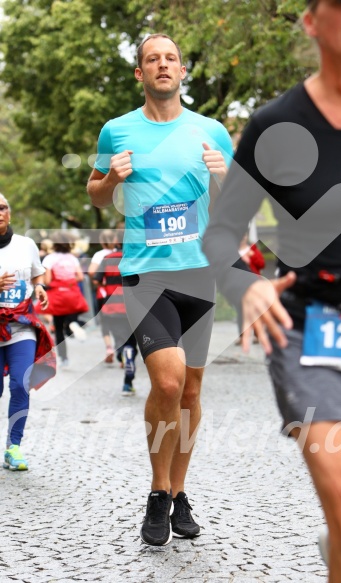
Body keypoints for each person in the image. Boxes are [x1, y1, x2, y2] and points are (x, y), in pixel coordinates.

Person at [203, 1, 341, 581]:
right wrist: (245, 285)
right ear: (311, 21)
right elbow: (220, 234)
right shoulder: (277, 125)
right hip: (311, 331)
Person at [87, 33, 234, 546]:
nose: (163, 65)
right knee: (168, 383)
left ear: (181, 71)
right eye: (153, 59)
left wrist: (222, 179)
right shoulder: (117, 130)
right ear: (141, 74)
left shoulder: (211, 132)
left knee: (191, 390)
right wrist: (111, 180)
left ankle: (180, 491)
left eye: (171, 58)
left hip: (198, 273)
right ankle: (157, 492)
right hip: (145, 274)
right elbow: (97, 193)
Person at [0, 195, 56, 470]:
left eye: (2, 207)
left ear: (9, 213)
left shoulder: (26, 245)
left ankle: (14, 447)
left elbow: (37, 273)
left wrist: (39, 286)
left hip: (22, 325)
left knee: (21, 384)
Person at [93, 231, 138, 395]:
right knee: (132, 343)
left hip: (112, 308)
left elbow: (96, 279)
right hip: (132, 308)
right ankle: (128, 383)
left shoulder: (108, 259)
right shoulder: (136, 258)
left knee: (120, 339)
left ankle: (121, 352)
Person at [40, 231, 88, 367]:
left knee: (58, 327)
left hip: (58, 295)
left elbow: (47, 280)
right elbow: (80, 276)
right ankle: (73, 325)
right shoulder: (72, 258)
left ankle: (64, 357)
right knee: (71, 318)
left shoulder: (49, 259)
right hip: (72, 293)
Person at [88, 229, 116, 363]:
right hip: (122, 292)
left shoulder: (99, 255)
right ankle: (123, 349)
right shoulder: (120, 254)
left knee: (105, 320)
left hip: (104, 292)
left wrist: (101, 279)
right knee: (122, 319)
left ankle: (109, 347)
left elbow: (91, 271)